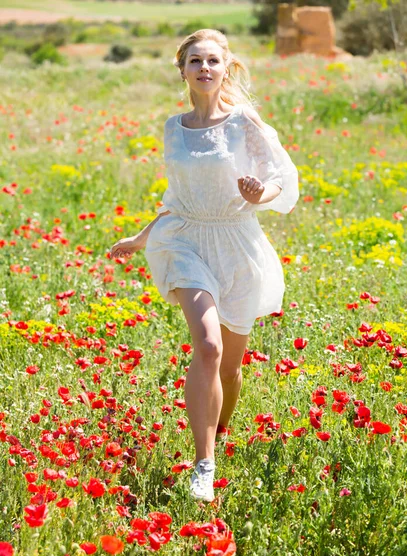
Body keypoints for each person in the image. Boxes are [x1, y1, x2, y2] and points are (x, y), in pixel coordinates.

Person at [109, 29, 299, 503]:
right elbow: (176, 198)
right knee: (208, 346)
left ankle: (219, 431)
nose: (205, 69)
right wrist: (140, 237)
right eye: (195, 61)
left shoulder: (243, 122)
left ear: (226, 67)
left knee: (230, 370)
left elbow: (280, 178)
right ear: (183, 69)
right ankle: (204, 464)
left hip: (236, 243)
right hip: (186, 241)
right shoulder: (174, 127)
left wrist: (262, 195)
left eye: (213, 60)